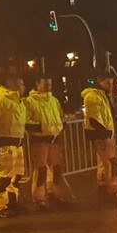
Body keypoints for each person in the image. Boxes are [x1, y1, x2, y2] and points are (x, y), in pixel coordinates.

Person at [24, 76, 70, 208]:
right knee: (41, 169)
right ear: (37, 83)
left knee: (56, 168)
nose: (48, 87)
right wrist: (44, 129)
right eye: (45, 84)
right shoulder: (29, 102)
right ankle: (39, 197)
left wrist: (60, 127)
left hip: (54, 139)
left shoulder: (54, 100)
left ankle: (53, 193)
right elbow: (26, 121)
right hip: (40, 140)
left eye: (50, 84)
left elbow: (61, 116)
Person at [0, 77, 27, 217]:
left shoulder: (20, 103)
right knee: (4, 176)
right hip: (6, 145)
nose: (24, 87)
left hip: (18, 144)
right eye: (21, 84)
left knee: (17, 174)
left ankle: (12, 201)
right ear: (14, 85)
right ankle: (0, 206)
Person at [83, 72, 117, 201]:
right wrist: (105, 133)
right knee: (110, 162)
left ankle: (103, 189)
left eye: (111, 83)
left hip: (104, 133)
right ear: (100, 82)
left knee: (104, 163)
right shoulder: (94, 97)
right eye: (107, 83)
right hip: (101, 134)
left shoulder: (102, 96)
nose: (110, 85)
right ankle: (114, 190)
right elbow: (94, 118)